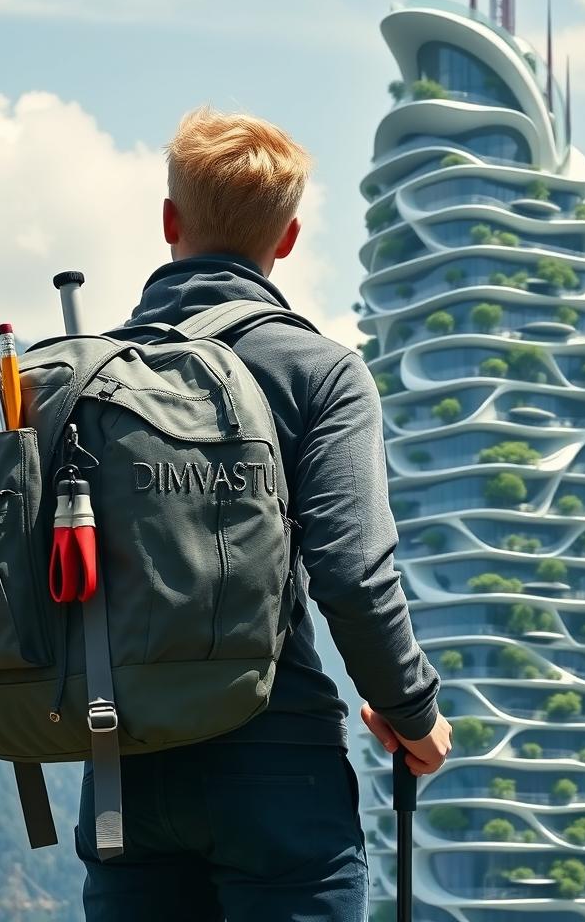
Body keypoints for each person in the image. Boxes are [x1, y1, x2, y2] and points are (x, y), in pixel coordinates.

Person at [74, 107, 453, 921]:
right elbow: (353, 574)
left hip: (124, 767)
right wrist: (412, 710)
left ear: (170, 222)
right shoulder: (320, 372)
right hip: (276, 763)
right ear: (286, 240)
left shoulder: (86, 379)